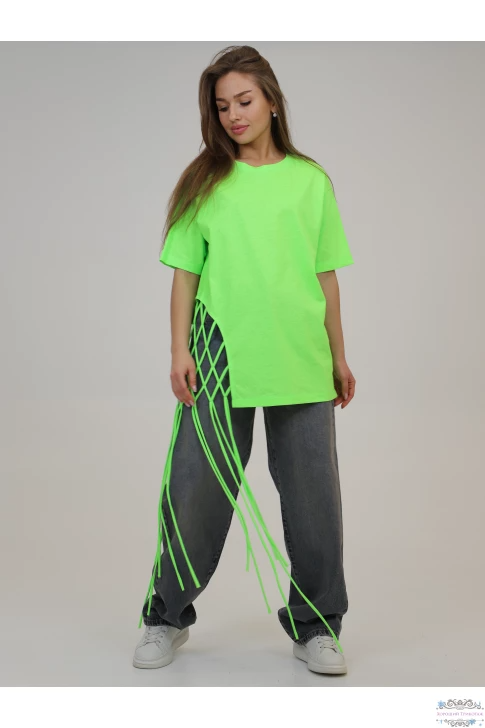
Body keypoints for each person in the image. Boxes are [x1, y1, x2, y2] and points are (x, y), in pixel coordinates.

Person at [133, 45, 356, 675]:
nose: (234, 115)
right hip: (218, 355)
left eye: (244, 100)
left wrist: (340, 356)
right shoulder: (205, 182)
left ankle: (317, 627)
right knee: (194, 491)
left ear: (272, 101)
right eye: (222, 105)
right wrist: (179, 350)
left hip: (300, 355)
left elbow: (326, 275)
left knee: (314, 500)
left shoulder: (311, 181)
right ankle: (164, 617)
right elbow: (184, 275)